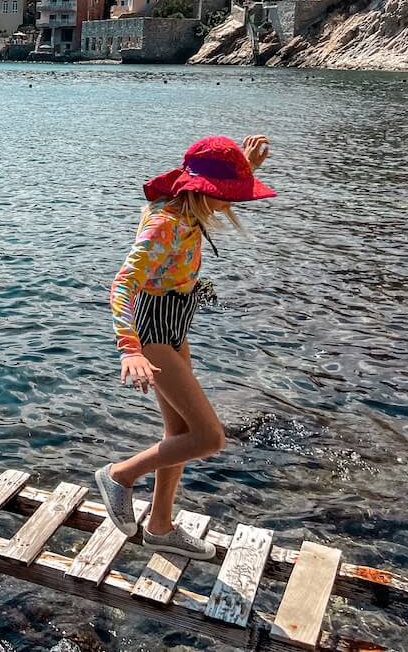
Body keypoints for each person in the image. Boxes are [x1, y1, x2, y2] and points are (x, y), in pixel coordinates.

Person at [95, 135, 275, 560]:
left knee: (179, 433)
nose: (233, 203)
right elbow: (123, 283)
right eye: (229, 193)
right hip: (154, 333)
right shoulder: (166, 224)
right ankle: (119, 475)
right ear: (204, 191)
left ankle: (160, 527)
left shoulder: (189, 209)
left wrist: (244, 167)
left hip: (176, 328)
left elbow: (219, 189)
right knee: (209, 437)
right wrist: (130, 349)